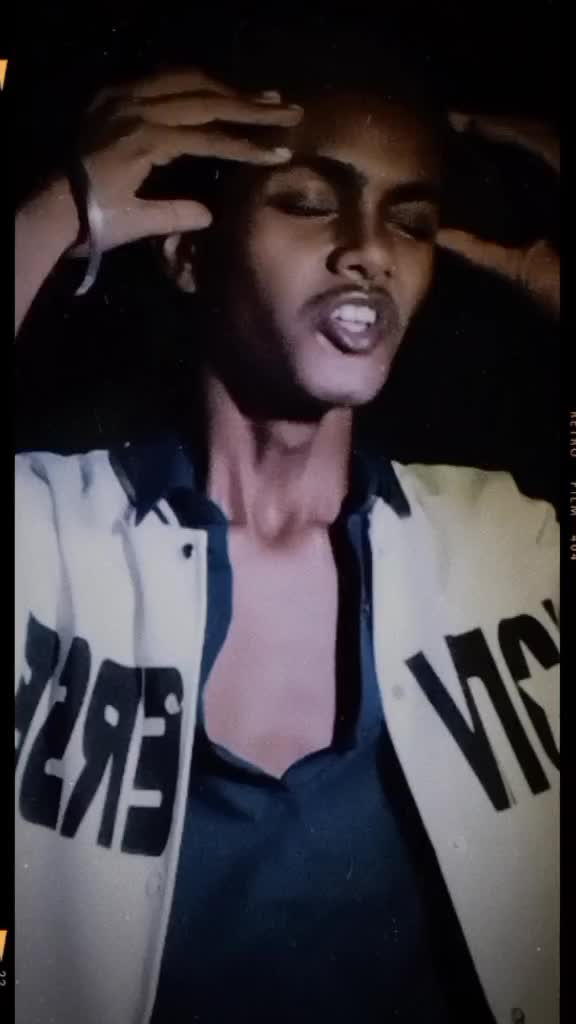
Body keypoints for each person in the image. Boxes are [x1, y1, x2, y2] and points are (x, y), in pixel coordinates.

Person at [15, 64, 559, 1024]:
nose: (370, 252)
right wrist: (52, 215)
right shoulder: (50, 532)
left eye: (411, 222)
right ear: (189, 255)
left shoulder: (512, 539)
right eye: (310, 203)